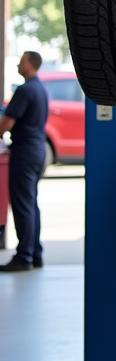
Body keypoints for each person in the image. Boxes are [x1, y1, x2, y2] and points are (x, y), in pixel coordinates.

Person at [0, 51, 49, 273]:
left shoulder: (25, 89)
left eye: (21, 62)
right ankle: (35, 253)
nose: (19, 65)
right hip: (37, 151)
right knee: (31, 203)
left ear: (30, 64)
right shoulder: (40, 89)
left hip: (24, 152)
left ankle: (24, 256)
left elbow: (7, 123)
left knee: (22, 204)